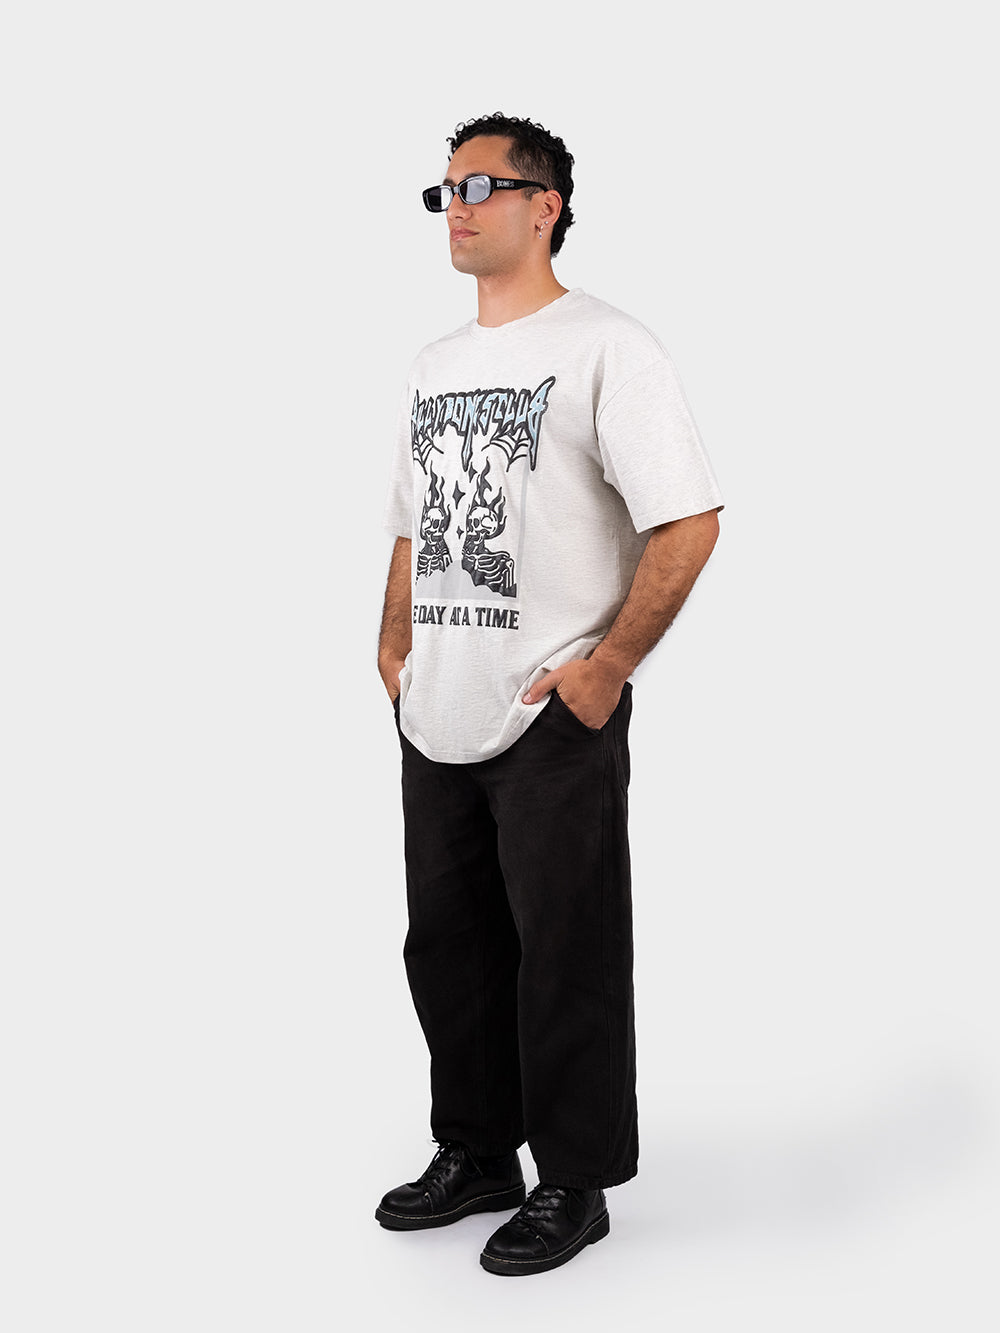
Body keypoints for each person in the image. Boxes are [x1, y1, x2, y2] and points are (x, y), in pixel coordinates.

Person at [376, 112, 723, 1277]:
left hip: (549, 713)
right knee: (449, 947)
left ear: (545, 206)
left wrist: (606, 667)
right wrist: (393, 644)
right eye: (445, 189)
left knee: (566, 949)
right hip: (437, 708)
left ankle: (574, 1179)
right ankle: (477, 1151)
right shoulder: (433, 364)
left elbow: (687, 521)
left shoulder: (608, 347)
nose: (456, 206)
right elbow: (411, 523)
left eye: (481, 185)